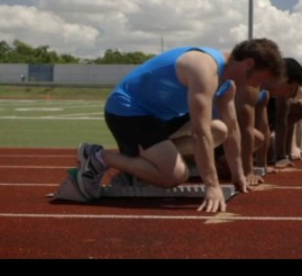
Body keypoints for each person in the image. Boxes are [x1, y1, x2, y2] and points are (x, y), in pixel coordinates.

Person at [75, 38, 285, 213]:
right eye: (259, 80)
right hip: (128, 112)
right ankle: (97, 156)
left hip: (161, 119)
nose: (256, 86)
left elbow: (232, 130)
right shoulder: (204, 69)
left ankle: (139, 166)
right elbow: (199, 132)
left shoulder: (227, 85)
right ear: (248, 64)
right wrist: (211, 186)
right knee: (174, 176)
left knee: (219, 130)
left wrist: (238, 174)